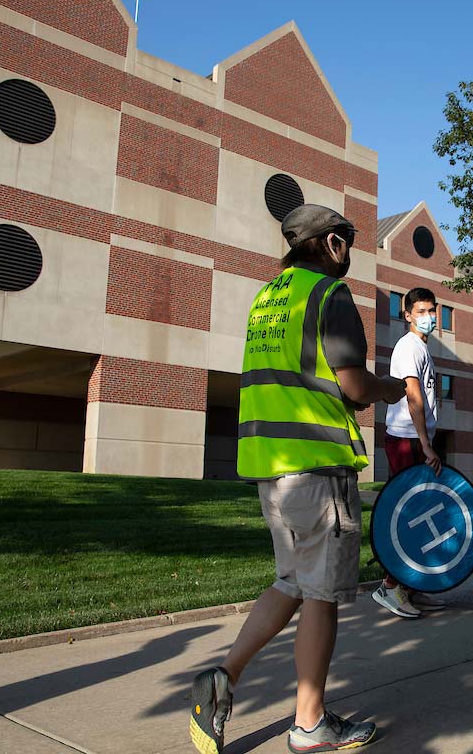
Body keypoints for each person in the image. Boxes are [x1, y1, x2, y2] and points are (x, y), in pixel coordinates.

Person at [189, 204, 406, 754]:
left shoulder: (267, 298)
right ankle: (310, 726)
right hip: (317, 466)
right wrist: (394, 389)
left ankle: (223, 677)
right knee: (322, 595)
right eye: (350, 242)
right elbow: (353, 385)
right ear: (332, 244)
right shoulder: (329, 296)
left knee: (292, 582)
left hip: (272, 469)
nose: (352, 253)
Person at [371, 287, 449, 620]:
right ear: (407, 315)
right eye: (420, 311)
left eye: (431, 310)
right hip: (406, 440)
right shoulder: (407, 347)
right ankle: (390, 587)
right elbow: (413, 396)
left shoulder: (422, 348)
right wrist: (425, 443)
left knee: (423, 511)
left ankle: (412, 587)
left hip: (417, 439)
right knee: (409, 514)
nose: (428, 317)